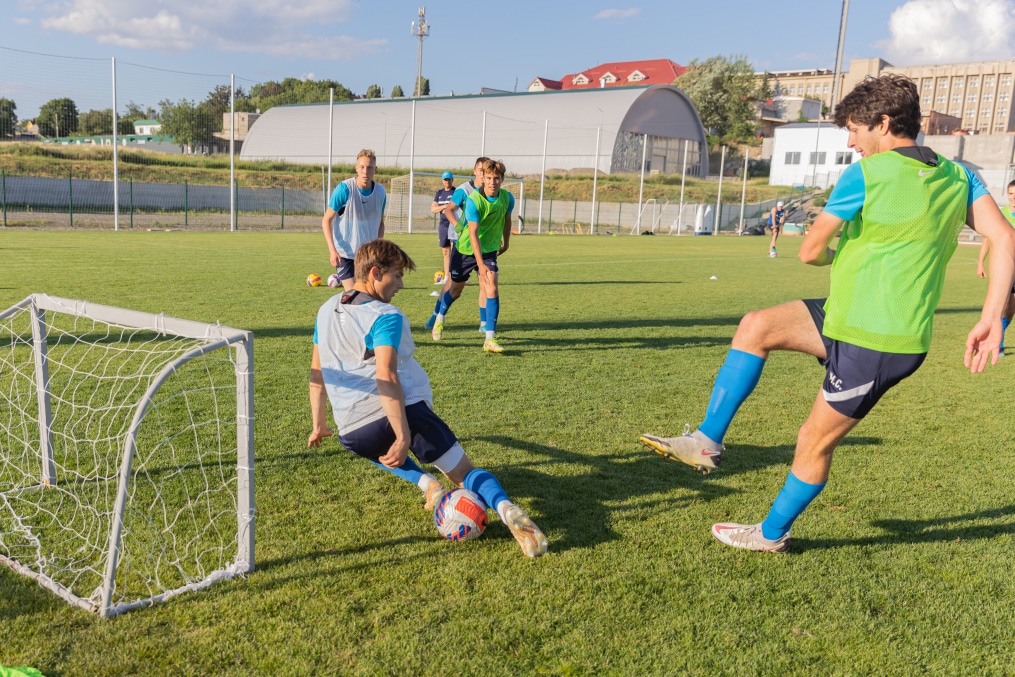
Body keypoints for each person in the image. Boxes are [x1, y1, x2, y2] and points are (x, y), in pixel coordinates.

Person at [639, 74, 1015, 553]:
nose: (851, 140)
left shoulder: (867, 173)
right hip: (845, 314)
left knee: (813, 442)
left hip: (879, 340)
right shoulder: (959, 175)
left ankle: (771, 534)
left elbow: (810, 251)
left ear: (882, 123)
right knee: (756, 326)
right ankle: (707, 441)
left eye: (855, 129)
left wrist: (839, 256)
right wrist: (990, 316)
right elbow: (1005, 237)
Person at [307, 239, 548, 558]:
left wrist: (318, 424)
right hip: (403, 411)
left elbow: (316, 371)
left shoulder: (325, 310)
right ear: (376, 273)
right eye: (397, 276)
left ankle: (427, 484)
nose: (401, 285)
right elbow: (386, 376)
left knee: (379, 451)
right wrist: (403, 434)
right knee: (463, 474)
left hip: (353, 431)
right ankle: (505, 509)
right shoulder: (384, 315)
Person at [430, 159, 513, 353]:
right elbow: (473, 234)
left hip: (489, 250)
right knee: (456, 290)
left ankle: (489, 338)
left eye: (497, 178)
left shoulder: (508, 199)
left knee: (492, 287)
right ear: (483, 178)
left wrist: (507, 242)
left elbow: (507, 220)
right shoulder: (474, 200)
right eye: (489, 178)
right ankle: (440, 317)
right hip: (466, 249)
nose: (493, 182)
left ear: (502, 180)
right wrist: (479, 264)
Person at [425, 157, 491, 333]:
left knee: (485, 282)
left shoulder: (491, 190)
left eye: (486, 170)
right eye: (480, 170)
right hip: (461, 243)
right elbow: (448, 210)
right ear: (475, 171)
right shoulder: (464, 190)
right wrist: (459, 227)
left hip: (483, 244)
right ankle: (436, 314)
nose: (483, 173)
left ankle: (484, 324)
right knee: (452, 286)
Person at [321, 149, 386, 291]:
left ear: (375, 169)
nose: (365, 171)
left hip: (367, 255)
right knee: (353, 294)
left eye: (369, 167)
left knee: (368, 294)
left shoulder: (381, 192)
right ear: (356, 168)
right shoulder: (344, 189)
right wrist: (332, 251)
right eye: (362, 167)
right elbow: (326, 220)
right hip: (345, 254)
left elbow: (381, 223)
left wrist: (378, 248)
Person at [976, 179, 1015, 356]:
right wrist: (980, 262)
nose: (1013, 197)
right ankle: (997, 342)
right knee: (1002, 304)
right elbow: (988, 239)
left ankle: (1001, 331)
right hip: (1005, 268)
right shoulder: (1002, 214)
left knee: (1011, 308)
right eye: (1010, 194)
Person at [432, 171, 458, 282]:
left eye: (449, 179)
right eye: (445, 179)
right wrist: (446, 206)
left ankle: (457, 276)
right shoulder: (439, 193)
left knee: (455, 251)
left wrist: (445, 208)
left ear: (452, 180)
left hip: (454, 224)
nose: (447, 181)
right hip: (443, 225)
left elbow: (456, 206)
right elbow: (433, 209)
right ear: (442, 181)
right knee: (446, 252)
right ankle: (447, 277)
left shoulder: (456, 192)